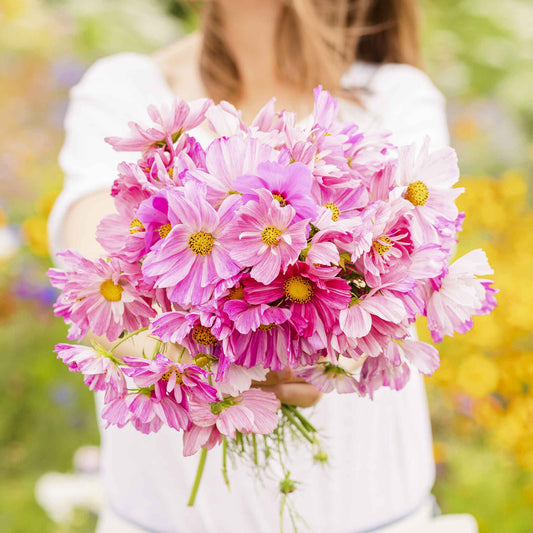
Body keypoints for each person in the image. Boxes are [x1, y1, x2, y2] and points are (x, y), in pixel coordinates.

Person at [48, 1, 479, 531]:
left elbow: (416, 259)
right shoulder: (125, 91)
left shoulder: (390, 97)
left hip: (377, 515)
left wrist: (286, 332)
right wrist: (199, 365)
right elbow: (103, 269)